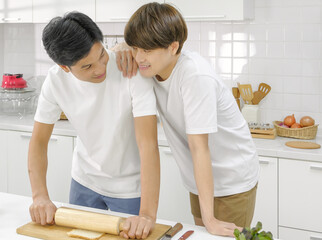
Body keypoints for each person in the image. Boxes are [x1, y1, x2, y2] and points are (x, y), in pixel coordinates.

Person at [119, 2, 260, 237]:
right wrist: (122, 47)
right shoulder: (152, 67)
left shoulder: (195, 76)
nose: (139, 57)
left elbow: (199, 147)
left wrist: (210, 219)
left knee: (214, 231)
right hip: (200, 179)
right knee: (204, 234)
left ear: (173, 47)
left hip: (230, 179)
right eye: (135, 48)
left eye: (147, 50)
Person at [28, 11, 160, 239]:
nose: (100, 68)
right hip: (84, 181)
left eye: (101, 55)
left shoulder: (130, 70)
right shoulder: (55, 81)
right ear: (64, 67)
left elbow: (148, 144)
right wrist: (39, 196)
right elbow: (39, 141)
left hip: (130, 187)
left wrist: (147, 214)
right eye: (87, 67)